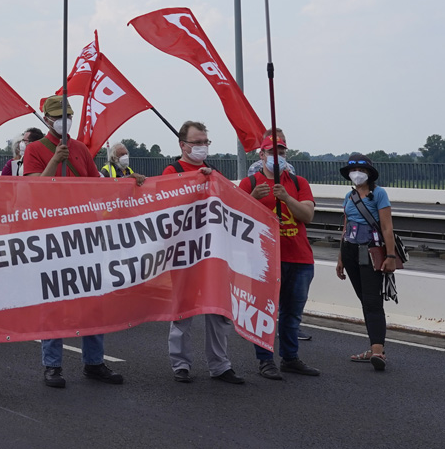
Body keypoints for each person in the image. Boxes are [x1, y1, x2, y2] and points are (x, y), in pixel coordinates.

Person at [23, 97, 134, 388]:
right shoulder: (36, 150)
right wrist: (55, 161)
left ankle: (94, 362)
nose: (65, 121)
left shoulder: (81, 149)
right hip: (51, 236)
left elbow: (96, 186)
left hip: (84, 235)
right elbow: (33, 188)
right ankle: (52, 365)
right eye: (60, 116)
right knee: (54, 301)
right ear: (47, 119)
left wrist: (129, 183)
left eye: (68, 115)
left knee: (93, 300)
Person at [162, 121, 243, 385]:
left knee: (218, 311)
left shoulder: (213, 172)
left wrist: (215, 182)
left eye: (205, 142)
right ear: (182, 145)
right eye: (197, 142)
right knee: (183, 311)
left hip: (212, 253)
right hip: (185, 253)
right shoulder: (172, 171)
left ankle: (220, 365)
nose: (202, 147)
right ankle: (181, 364)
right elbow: (165, 209)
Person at [243, 132, 320, 380]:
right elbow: (234, 214)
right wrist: (253, 198)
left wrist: (286, 197)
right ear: (262, 154)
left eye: (282, 152)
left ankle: (290, 357)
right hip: (264, 260)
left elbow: (307, 216)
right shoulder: (251, 183)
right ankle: (265, 360)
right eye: (272, 152)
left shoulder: (298, 183)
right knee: (263, 311)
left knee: (292, 313)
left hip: (299, 258)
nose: (278, 157)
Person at [336, 154, 400, 372]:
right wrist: (340, 258)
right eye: (353, 170)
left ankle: (377, 350)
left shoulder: (379, 194)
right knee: (364, 299)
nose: (356, 174)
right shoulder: (349, 196)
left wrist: (390, 256)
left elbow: (387, 227)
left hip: (369, 251)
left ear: (369, 174)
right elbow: (345, 227)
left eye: (361, 170)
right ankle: (373, 346)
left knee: (372, 301)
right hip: (350, 250)